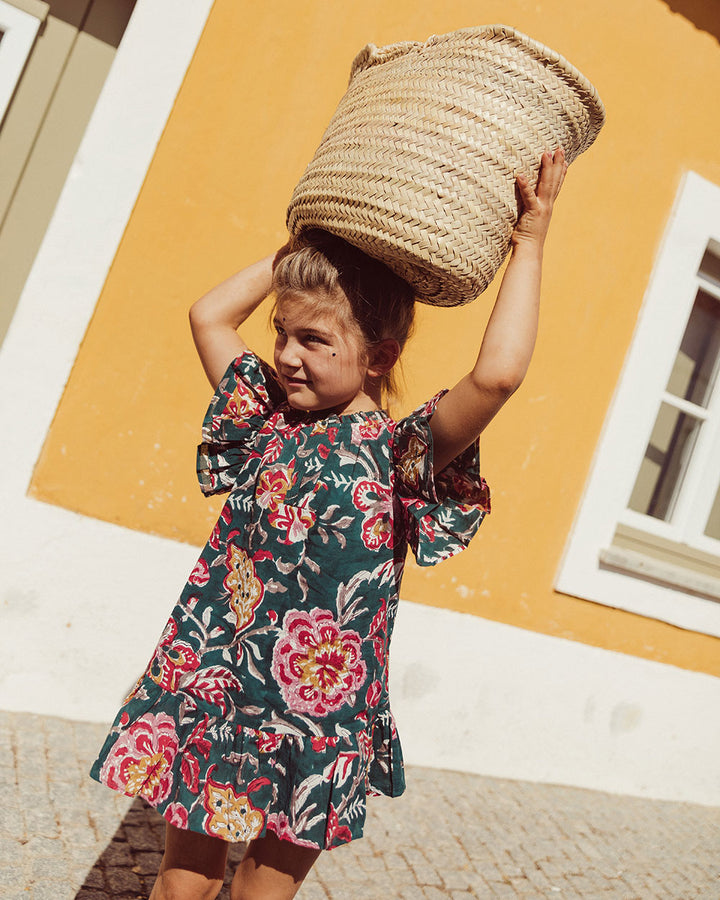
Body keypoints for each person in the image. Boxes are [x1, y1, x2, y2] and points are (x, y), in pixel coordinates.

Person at [89, 149, 567, 900]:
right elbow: (209, 313)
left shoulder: (403, 453)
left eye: (314, 341)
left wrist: (529, 244)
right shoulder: (265, 420)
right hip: (219, 684)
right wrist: (304, 250)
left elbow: (498, 375)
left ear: (380, 356)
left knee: (260, 891)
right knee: (182, 884)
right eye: (282, 332)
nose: (284, 355)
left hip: (322, 719)